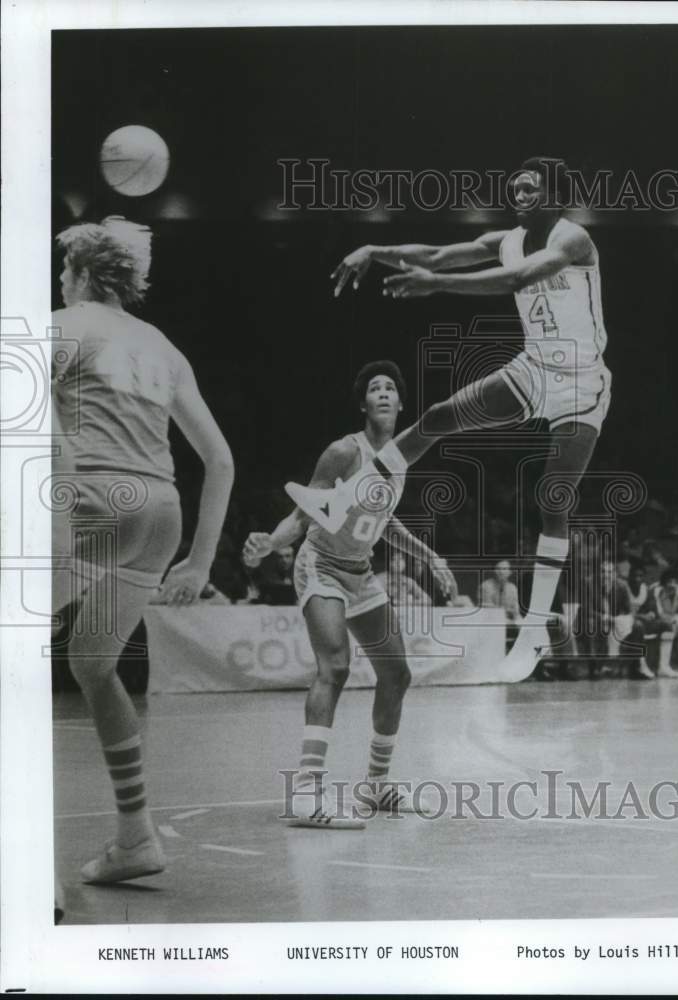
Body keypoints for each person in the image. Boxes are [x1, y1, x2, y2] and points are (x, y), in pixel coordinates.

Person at [287, 157, 612, 682]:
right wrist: (376, 249)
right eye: (514, 188)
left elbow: (520, 276)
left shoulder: (574, 240)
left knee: (553, 498)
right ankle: (345, 496)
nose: (519, 196)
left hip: (582, 384)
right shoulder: (506, 237)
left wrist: (435, 284)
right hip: (533, 370)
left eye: (529, 188)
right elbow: (437, 251)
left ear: (554, 195)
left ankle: (533, 631)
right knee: (438, 417)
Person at [51, 217, 234, 887]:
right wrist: (200, 562)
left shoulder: (57, 326)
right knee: (93, 662)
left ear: (79, 276)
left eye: (63, 272)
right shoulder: (163, 346)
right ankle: (136, 837)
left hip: (89, 503)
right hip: (159, 515)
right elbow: (219, 461)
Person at [243, 361, 456, 828]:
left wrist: (430, 557)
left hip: (360, 572)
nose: (383, 393)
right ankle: (305, 795)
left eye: (390, 389)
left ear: (401, 404)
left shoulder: (399, 461)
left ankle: (376, 787)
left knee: (397, 675)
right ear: (363, 405)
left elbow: (385, 522)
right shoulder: (343, 451)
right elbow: (303, 515)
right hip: (320, 565)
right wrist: (272, 543)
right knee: (334, 666)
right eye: (374, 389)